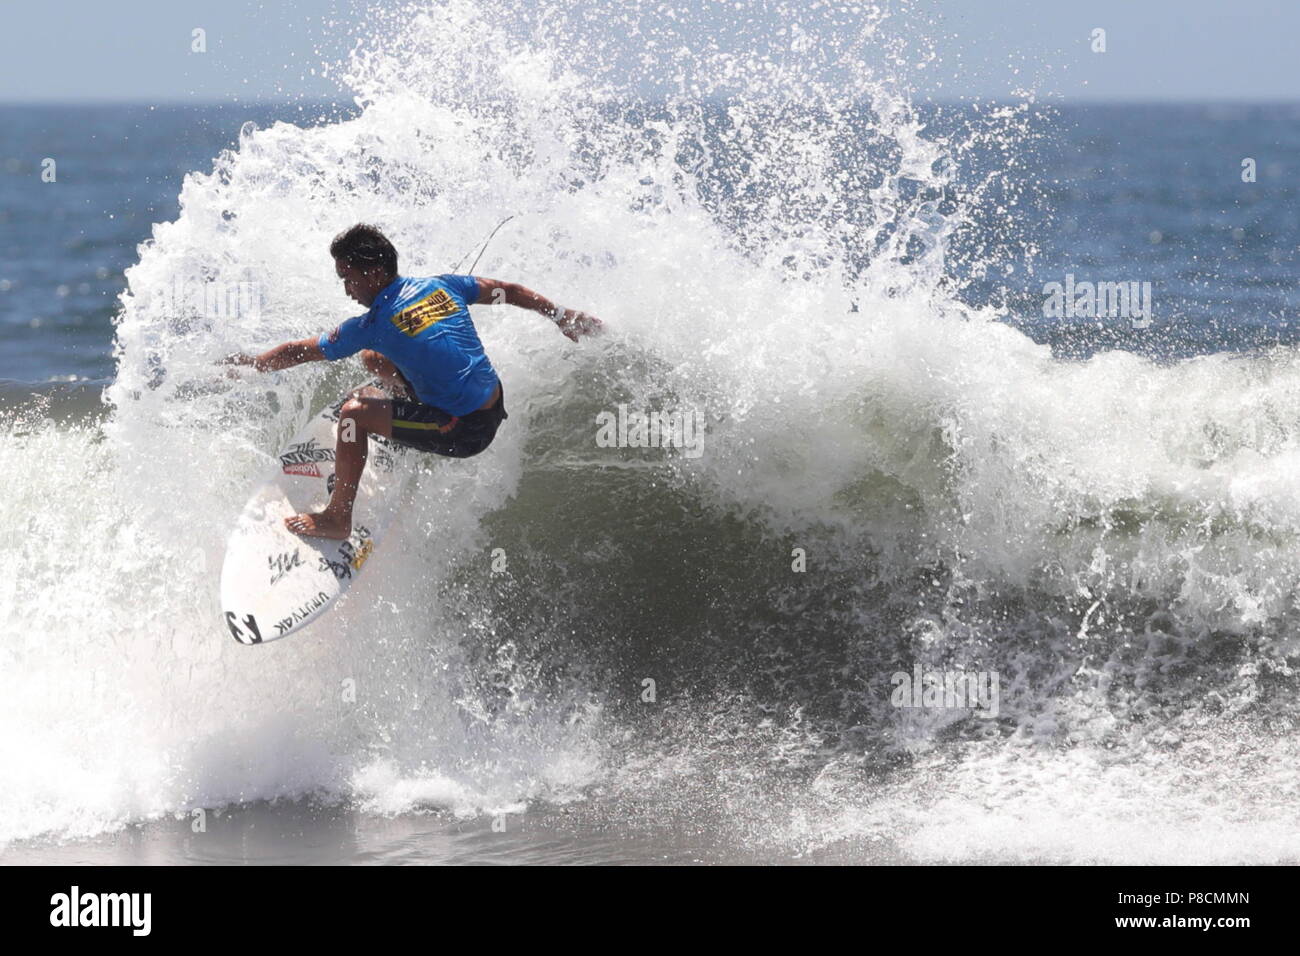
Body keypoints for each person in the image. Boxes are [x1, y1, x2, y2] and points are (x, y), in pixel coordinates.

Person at [223, 223, 603, 539]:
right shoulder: (443, 285)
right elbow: (512, 292)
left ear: (373, 273)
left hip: (464, 430)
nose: (346, 289)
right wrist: (561, 316)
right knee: (374, 359)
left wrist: (252, 365)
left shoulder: (372, 323)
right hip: (493, 399)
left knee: (354, 414)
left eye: (348, 278)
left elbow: (299, 351)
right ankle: (407, 414)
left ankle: (337, 517)